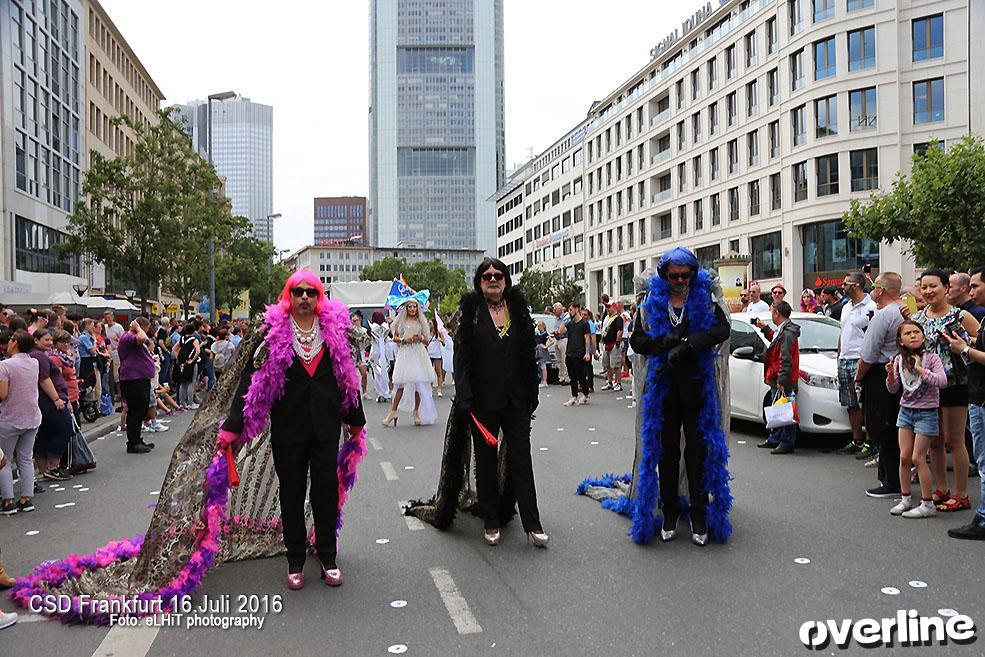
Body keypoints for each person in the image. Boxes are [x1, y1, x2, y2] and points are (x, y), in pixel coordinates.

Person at [220, 270, 367, 589]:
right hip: (288, 428)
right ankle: (295, 559)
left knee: (325, 493)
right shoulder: (272, 333)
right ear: (288, 296)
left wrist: (356, 420)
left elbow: (348, 378)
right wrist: (234, 426)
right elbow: (251, 381)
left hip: (326, 427)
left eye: (310, 292)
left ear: (319, 298)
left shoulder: (334, 331)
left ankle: (328, 556)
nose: (304, 297)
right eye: (298, 291)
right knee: (292, 493)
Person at [629, 248, 731, 546]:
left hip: (698, 389)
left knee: (697, 454)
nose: (680, 281)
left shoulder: (705, 300)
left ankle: (699, 513)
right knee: (668, 453)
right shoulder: (651, 303)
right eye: (674, 275)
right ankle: (670, 510)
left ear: (693, 274)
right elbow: (637, 340)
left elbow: (722, 329)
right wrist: (663, 342)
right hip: (664, 391)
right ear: (665, 275)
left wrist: (688, 345)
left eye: (685, 275)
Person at [450, 258, 547, 546]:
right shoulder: (471, 314)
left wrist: (532, 393)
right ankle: (491, 520)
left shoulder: (517, 311)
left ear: (506, 280)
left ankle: (533, 523)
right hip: (483, 403)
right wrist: (465, 399)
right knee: (487, 463)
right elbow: (461, 362)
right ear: (480, 283)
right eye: (487, 276)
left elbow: (528, 355)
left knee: (522, 461)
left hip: (516, 401)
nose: (493, 280)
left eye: (498, 275)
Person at [911, 268, 980, 513]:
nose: (928, 291)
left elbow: (979, 341)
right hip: (928, 387)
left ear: (945, 288)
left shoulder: (960, 316)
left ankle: (961, 494)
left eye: (934, 286)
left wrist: (963, 343)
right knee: (935, 441)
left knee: (955, 440)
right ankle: (942, 488)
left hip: (955, 385)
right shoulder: (918, 319)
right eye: (924, 287)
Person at [886, 321, 948, 518]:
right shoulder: (898, 360)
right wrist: (889, 376)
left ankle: (927, 503)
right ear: (900, 340)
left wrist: (921, 369)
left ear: (923, 336)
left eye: (916, 332)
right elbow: (894, 389)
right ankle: (905, 499)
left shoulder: (932, 358)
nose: (913, 336)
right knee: (904, 457)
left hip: (927, 412)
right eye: (908, 333)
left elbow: (942, 381)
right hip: (905, 411)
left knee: (917, 457)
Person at [943, 266, 985, 539]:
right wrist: (968, 341)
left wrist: (965, 349)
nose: (971, 291)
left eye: (976, 286)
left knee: (982, 463)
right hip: (977, 395)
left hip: (981, 399)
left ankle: (982, 520)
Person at [855, 273, 906, 498]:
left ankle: (891, 481)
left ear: (881, 289)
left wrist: (858, 377)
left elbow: (869, 353)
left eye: (873, 286)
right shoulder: (905, 312)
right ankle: (891, 477)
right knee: (892, 427)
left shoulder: (885, 314)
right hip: (898, 373)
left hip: (881, 373)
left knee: (882, 426)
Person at [834, 273, 877, 458]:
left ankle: (870, 441)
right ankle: (857, 439)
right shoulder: (845, 307)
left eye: (846, 284)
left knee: (865, 402)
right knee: (850, 403)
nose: (842, 286)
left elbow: (874, 335)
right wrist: (839, 354)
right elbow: (843, 332)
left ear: (857, 285)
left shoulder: (871, 306)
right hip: (844, 358)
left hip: (860, 358)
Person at [0, 330, 42, 514]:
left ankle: (8, 501)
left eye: (9, 340)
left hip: (10, 418)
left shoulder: (5, 365)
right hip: (32, 416)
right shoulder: (35, 363)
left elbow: (2, 394)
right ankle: (26, 498)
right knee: (25, 458)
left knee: (4, 460)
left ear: (15, 342)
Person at [382, 299, 436, 427]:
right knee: (400, 384)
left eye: (414, 307)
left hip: (418, 353)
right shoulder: (401, 322)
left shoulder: (421, 322)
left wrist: (420, 338)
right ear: (406, 308)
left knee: (418, 383)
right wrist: (404, 339)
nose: (412, 309)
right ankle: (393, 412)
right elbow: (395, 338)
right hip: (405, 353)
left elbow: (427, 339)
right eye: (410, 307)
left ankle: (416, 412)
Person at [758, 301, 800, 454]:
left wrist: (782, 380)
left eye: (772, 312)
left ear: (777, 313)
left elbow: (786, 358)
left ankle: (787, 442)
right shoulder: (783, 330)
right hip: (777, 377)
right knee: (778, 408)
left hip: (784, 379)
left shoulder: (788, 332)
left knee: (786, 410)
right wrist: (766, 329)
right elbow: (775, 341)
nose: (771, 315)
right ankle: (775, 438)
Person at [31, 330, 73, 481]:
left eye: (50, 340)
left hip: (42, 402)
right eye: (46, 340)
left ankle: (44, 471)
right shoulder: (39, 356)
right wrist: (56, 399)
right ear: (36, 340)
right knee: (64, 427)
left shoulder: (38, 355)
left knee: (45, 434)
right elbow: (44, 379)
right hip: (48, 402)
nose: (49, 343)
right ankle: (53, 467)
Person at [118, 317, 156, 454]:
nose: (147, 331)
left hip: (140, 379)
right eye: (146, 327)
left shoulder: (133, 336)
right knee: (135, 411)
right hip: (133, 379)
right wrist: (138, 328)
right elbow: (142, 339)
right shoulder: (128, 336)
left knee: (141, 410)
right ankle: (133, 443)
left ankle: (137, 439)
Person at [558, 302, 592, 406]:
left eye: (571, 309)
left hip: (580, 353)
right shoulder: (570, 323)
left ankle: (586, 394)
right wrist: (565, 319)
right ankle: (574, 396)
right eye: (569, 310)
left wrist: (587, 353)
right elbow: (561, 331)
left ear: (577, 309)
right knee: (572, 377)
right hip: (570, 353)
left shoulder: (584, 323)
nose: (570, 311)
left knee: (581, 376)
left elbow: (587, 338)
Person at [50, 331, 81, 426]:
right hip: (66, 398)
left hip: (73, 396)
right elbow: (58, 381)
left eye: (67, 341)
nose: (66, 344)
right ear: (56, 343)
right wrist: (66, 401)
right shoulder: (55, 358)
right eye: (63, 342)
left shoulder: (67, 356)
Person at [173, 324, 201, 409]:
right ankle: (190, 402)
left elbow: (174, 348)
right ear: (193, 331)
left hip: (182, 361)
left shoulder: (182, 339)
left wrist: (177, 357)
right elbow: (198, 351)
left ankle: (182, 403)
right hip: (190, 362)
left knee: (183, 382)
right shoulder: (194, 339)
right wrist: (193, 360)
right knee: (191, 382)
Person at [601, 301, 625, 392]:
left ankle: (618, 383)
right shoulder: (607, 318)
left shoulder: (618, 318)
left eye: (609, 307)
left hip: (614, 343)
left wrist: (618, 342)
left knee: (616, 365)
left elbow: (620, 330)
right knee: (607, 365)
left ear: (614, 307)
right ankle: (610, 382)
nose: (607, 309)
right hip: (606, 343)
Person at [369, 310, 391, 403]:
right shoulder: (386, 327)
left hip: (375, 352)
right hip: (385, 352)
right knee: (385, 372)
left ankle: (380, 393)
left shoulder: (372, 328)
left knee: (376, 373)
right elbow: (391, 336)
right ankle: (386, 392)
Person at [102, 311, 125, 401]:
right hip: (106, 352)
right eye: (106, 318)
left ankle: (119, 393)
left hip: (116, 352)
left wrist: (117, 339)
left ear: (113, 317)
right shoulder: (105, 327)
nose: (108, 320)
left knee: (116, 374)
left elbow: (124, 340)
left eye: (109, 318)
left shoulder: (118, 327)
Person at [551, 302, 570, 384]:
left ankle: (567, 378)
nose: (553, 311)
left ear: (559, 309)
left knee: (564, 359)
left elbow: (564, 329)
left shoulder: (565, 318)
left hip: (563, 339)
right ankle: (561, 377)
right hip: (557, 339)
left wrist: (557, 331)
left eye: (555, 309)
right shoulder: (556, 318)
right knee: (559, 361)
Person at [427, 317, 446, 396]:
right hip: (429, 354)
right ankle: (429, 389)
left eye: (430, 323)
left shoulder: (438, 333)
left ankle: (439, 389)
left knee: (438, 372)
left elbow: (444, 343)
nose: (429, 325)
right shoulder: (427, 332)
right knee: (429, 373)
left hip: (437, 354)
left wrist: (440, 340)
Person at [534, 320, 551, 388]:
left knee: (543, 367)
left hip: (542, 351)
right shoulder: (540, 334)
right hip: (538, 349)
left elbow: (552, 340)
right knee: (540, 366)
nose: (538, 328)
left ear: (542, 326)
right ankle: (542, 380)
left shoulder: (545, 334)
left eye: (539, 326)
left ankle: (545, 381)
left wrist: (546, 346)